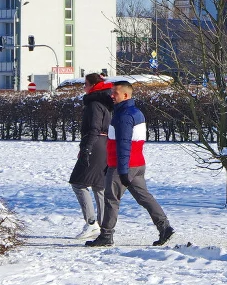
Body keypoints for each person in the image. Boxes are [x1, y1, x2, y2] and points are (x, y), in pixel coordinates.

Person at [87, 81, 175, 248]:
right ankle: (165, 227)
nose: (112, 95)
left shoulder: (124, 116)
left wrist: (121, 170)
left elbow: (123, 144)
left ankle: (106, 235)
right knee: (144, 198)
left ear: (126, 95)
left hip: (124, 165)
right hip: (137, 164)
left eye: (115, 93)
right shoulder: (134, 112)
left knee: (111, 199)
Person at [69, 73, 113, 240]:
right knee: (99, 185)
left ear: (93, 85)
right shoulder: (106, 101)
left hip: (95, 144)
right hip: (105, 144)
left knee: (78, 182)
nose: (84, 87)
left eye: (86, 84)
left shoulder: (94, 103)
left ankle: (92, 222)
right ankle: (103, 225)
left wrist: (86, 148)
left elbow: (94, 128)